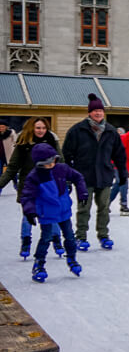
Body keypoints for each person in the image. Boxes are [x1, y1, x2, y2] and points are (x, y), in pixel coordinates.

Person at [62, 93, 127, 251]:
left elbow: (119, 155)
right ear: (89, 112)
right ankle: (81, 236)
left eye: (101, 110)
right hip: (83, 177)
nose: (98, 113)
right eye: (95, 110)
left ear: (104, 113)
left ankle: (103, 235)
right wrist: (69, 175)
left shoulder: (111, 131)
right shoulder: (77, 130)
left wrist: (123, 174)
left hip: (104, 176)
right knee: (84, 208)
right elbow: (66, 154)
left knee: (104, 208)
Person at [21, 143, 87, 282]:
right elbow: (27, 195)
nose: (51, 165)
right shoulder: (34, 176)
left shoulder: (62, 169)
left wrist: (82, 193)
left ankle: (72, 259)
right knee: (46, 238)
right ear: (39, 163)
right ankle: (39, 264)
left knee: (69, 236)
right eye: (46, 163)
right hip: (47, 212)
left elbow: (78, 177)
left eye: (53, 161)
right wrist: (30, 212)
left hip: (63, 210)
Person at [0, 117, 63, 259]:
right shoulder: (24, 143)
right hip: (29, 185)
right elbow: (12, 168)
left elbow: (60, 162)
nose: (41, 131)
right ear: (31, 128)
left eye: (43, 128)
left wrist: (65, 182)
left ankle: (57, 241)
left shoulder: (52, 140)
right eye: (38, 128)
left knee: (52, 214)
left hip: (49, 185)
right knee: (28, 214)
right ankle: (26, 242)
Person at [0, 121, 13, 193]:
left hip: (9, 155)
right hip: (0, 155)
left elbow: (15, 142)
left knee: (12, 170)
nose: (1, 128)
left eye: (2, 126)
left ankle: (16, 184)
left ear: (6, 127)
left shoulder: (11, 133)